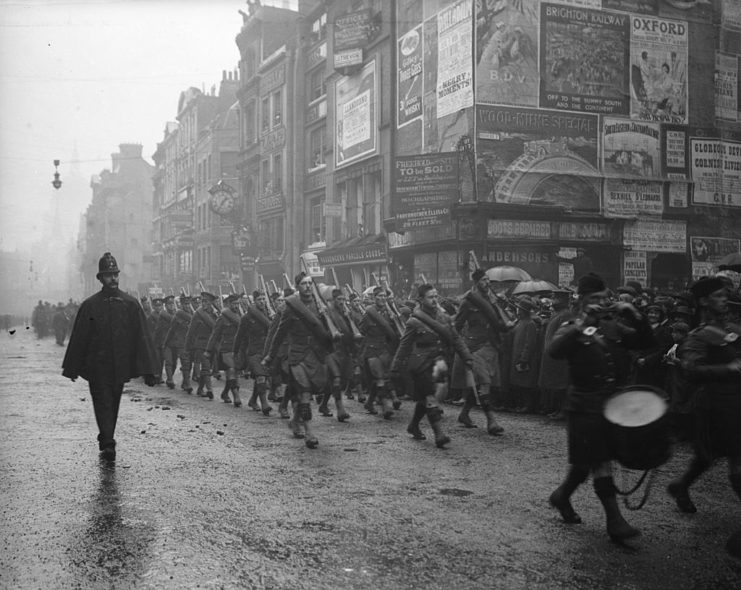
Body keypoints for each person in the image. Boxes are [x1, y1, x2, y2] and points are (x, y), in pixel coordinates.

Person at [547, 272, 655, 542]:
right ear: (581, 300)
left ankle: (561, 496)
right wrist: (583, 323)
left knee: (586, 463)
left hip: (613, 403)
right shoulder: (572, 324)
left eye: (603, 298)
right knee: (600, 460)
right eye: (593, 299)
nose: (599, 303)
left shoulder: (613, 325)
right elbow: (555, 350)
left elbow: (646, 342)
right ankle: (614, 521)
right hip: (585, 404)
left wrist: (634, 313)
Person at [61, 252, 159, 461]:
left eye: (115, 274)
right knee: (102, 401)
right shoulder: (90, 305)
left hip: (120, 366)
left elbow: (142, 338)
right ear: (100, 278)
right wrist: (72, 368)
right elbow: (80, 338)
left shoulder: (130, 304)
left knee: (113, 402)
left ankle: (107, 436)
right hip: (97, 366)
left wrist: (149, 370)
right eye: (108, 275)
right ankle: (107, 442)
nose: (113, 278)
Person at [667, 277, 741, 528]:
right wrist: (728, 368)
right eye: (719, 296)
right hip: (715, 405)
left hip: (735, 401)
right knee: (734, 455)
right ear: (704, 301)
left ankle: (680, 485)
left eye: (725, 295)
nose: (725, 300)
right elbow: (690, 369)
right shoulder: (698, 336)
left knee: (708, 456)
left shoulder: (730, 328)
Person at [390, 284, 473, 448]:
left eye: (436, 296)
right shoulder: (414, 321)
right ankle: (439, 434)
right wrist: (394, 368)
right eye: (430, 297)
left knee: (434, 396)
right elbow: (404, 346)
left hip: (439, 363)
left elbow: (455, 338)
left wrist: (467, 357)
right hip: (421, 364)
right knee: (430, 397)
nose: (435, 300)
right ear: (421, 299)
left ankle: (413, 425)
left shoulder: (443, 317)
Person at [262, 272, 334, 449]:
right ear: (297, 287)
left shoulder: (320, 306)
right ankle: (309, 432)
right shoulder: (290, 308)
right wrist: (270, 355)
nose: (308, 286)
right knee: (305, 393)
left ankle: (295, 420)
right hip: (298, 355)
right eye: (304, 283)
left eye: (310, 283)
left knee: (315, 389)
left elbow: (331, 331)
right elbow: (279, 334)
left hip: (315, 355)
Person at [451, 268, 510, 435]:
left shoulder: (492, 300)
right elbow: (457, 327)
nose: (488, 283)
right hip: (475, 347)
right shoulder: (468, 302)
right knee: (483, 382)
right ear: (476, 283)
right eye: (484, 280)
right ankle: (491, 421)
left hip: (491, 346)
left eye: (488, 280)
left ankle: (464, 414)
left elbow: (499, 321)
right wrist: (462, 347)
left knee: (479, 384)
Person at [359, 286, 402, 419]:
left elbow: (396, 333)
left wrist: (396, 320)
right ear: (374, 298)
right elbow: (361, 330)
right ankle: (385, 406)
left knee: (382, 377)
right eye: (380, 296)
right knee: (379, 377)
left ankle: (369, 403)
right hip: (372, 349)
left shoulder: (390, 313)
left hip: (385, 349)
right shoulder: (369, 314)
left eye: (384, 296)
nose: (383, 298)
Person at [234, 291, 273, 414]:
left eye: (263, 299)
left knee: (262, 377)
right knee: (261, 376)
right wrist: (236, 352)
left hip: (266, 350)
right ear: (254, 302)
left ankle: (253, 400)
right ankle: (264, 404)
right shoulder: (247, 317)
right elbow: (239, 335)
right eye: (259, 300)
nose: (262, 302)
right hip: (253, 351)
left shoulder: (269, 314)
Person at [206, 293, 243, 407]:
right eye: (234, 304)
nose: (236, 306)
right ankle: (236, 396)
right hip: (226, 349)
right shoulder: (222, 318)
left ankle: (225, 393)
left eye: (237, 303)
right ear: (229, 304)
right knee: (231, 370)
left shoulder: (241, 317)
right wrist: (208, 350)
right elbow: (215, 334)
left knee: (234, 373)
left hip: (237, 349)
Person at [186, 292, 218, 399]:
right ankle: (209, 389)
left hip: (212, 345)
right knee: (206, 367)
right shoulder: (198, 314)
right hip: (200, 344)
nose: (204, 303)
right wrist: (187, 346)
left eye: (206, 301)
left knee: (207, 368)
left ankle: (200, 389)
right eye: (203, 301)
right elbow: (190, 331)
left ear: (211, 303)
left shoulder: (215, 314)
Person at [163, 294, 194, 394]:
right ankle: (187, 384)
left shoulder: (194, 315)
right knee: (184, 362)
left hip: (190, 342)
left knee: (189, 364)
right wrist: (165, 343)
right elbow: (171, 330)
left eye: (189, 304)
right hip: (180, 342)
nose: (187, 306)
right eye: (185, 304)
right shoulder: (178, 315)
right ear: (181, 305)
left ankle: (185, 382)